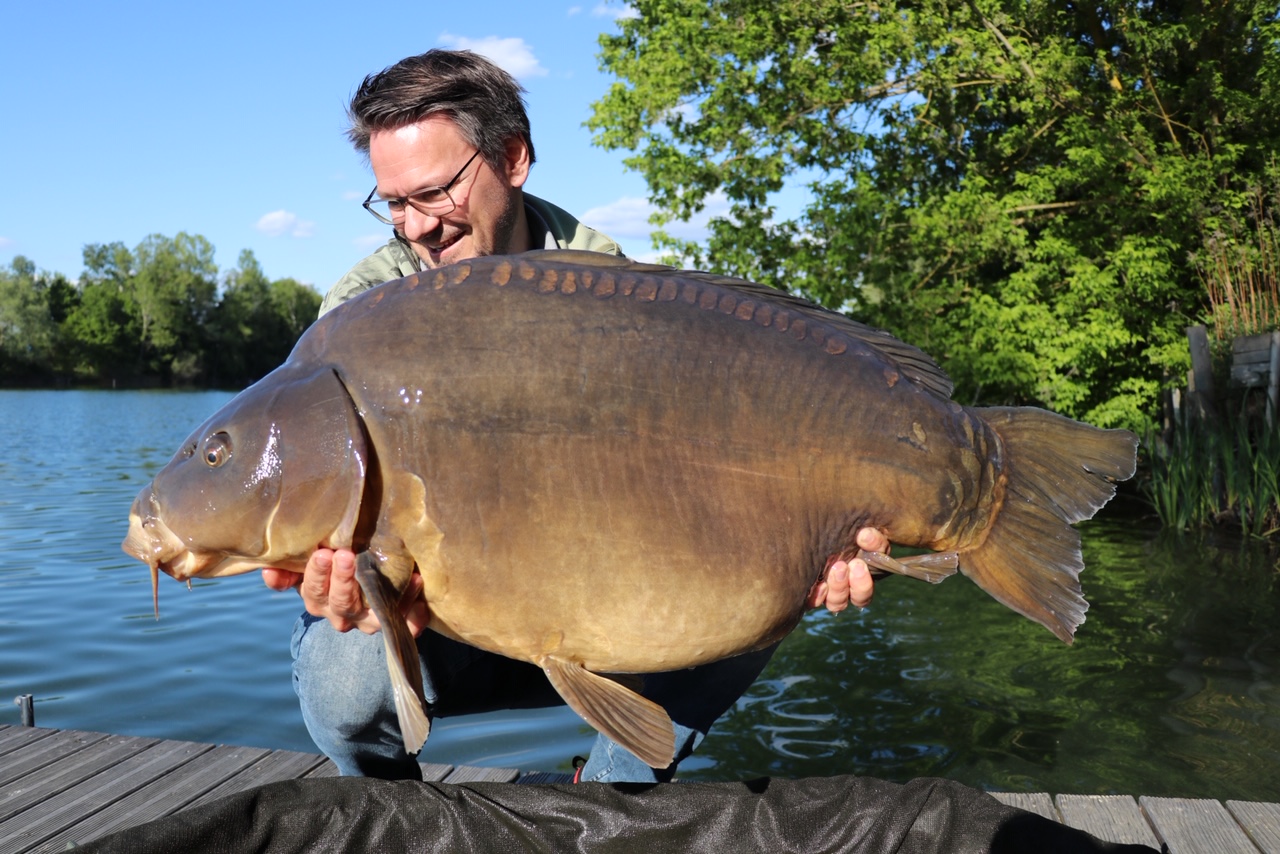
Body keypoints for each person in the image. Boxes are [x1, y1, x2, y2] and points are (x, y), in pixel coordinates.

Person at [260, 49, 885, 784]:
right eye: (393, 203)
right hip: (442, 624)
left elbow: (694, 477)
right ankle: (388, 807)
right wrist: (337, 576)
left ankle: (612, 798)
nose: (416, 228)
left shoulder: (607, 284)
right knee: (341, 677)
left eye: (433, 194)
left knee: (764, 583)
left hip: (598, 614)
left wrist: (813, 533)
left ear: (513, 159)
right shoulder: (360, 314)